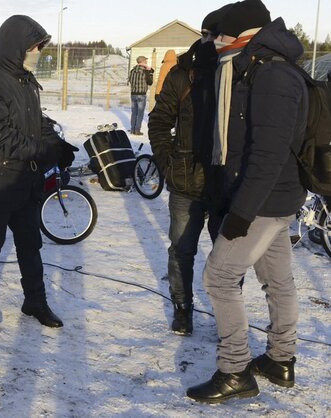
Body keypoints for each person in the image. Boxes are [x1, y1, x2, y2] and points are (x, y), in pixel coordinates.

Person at [186, 0, 307, 403]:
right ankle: (280, 360)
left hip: (263, 201)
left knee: (217, 278)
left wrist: (241, 211)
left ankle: (235, 369)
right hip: (271, 199)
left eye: (219, 35)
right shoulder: (260, 66)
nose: (215, 43)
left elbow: (268, 155)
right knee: (278, 282)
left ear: (240, 34)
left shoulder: (272, 75)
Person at [0, 15, 68, 329]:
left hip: (25, 180)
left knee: (30, 244)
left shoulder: (23, 77)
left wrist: (57, 144)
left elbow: (36, 121)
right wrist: (42, 150)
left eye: (39, 47)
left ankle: (35, 301)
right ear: (16, 45)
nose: (37, 52)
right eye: (34, 47)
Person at [146, 8, 227, 336]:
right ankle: (182, 308)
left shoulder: (237, 74)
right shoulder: (182, 74)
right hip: (186, 182)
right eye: (206, 35)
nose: (211, 42)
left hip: (225, 184)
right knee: (182, 250)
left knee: (227, 258)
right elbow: (159, 121)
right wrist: (168, 164)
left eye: (217, 37)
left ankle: (227, 312)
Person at [128, 56, 153, 136]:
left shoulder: (132, 71)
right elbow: (150, 82)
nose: (146, 62)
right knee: (140, 113)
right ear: (142, 62)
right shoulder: (145, 72)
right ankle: (137, 130)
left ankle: (132, 129)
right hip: (141, 94)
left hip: (133, 94)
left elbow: (131, 81)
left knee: (134, 113)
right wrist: (150, 72)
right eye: (145, 60)